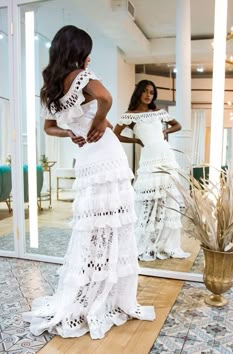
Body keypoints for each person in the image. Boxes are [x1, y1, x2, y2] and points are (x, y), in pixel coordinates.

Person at [22, 26, 155, 339]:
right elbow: (105, 98)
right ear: (78, 51)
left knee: (93, 227)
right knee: (112, 226)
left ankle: (92, 289)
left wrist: (73, 131)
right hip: (107, 156)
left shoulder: (51, 86)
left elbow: (49, 127)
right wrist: (97, 122)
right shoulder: (80, 76)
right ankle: (106, 294)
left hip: (87, 159)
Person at [114, 80, 190, 261]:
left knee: (167, 200)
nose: (149, 95)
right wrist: (135, 141)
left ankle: (165, 244)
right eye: (146, 92)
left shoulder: (158, 113)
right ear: (139, 92)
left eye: (152, 92)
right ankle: (146, 243)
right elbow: (115, 135)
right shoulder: (130, 115)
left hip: (166, 156)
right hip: (149, 158)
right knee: (147, 200)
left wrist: (165, 133)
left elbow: (177, 125)